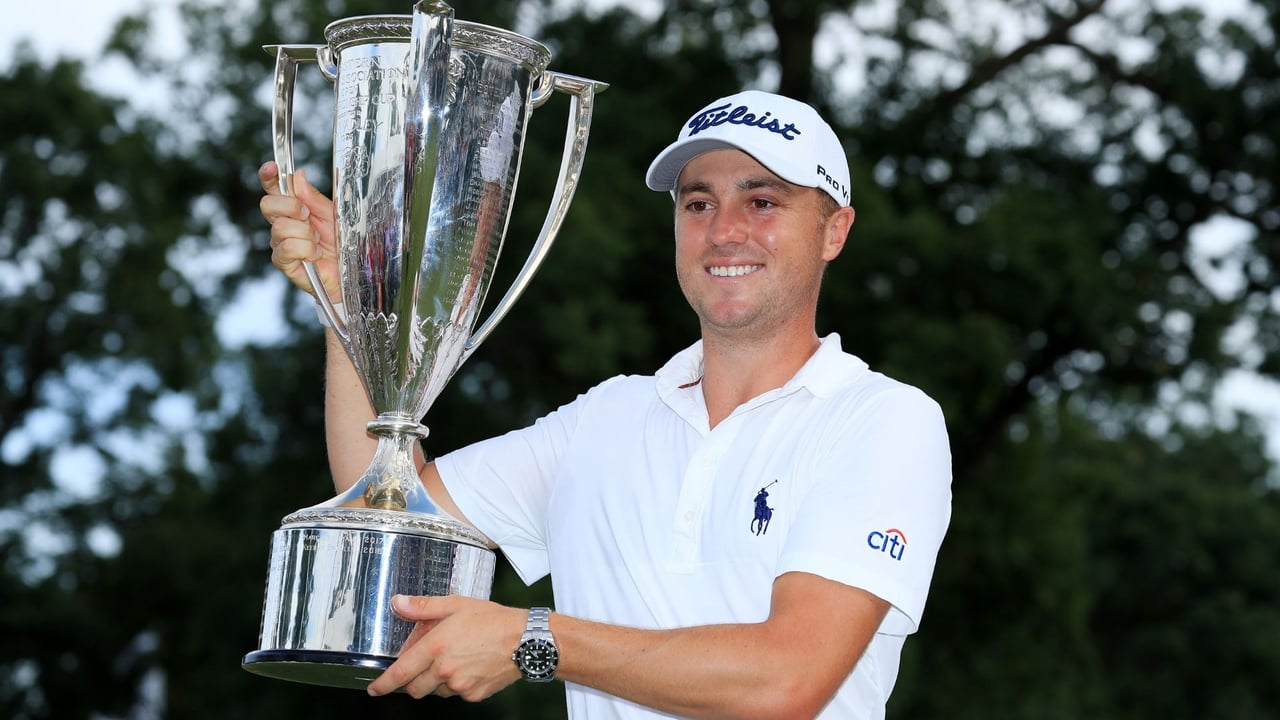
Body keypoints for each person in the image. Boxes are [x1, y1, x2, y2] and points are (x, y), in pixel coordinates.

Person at [260, 89, 952, 720]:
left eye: (762, 201)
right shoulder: (607, 418)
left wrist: (534, 638)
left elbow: (785, 680)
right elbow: (386, 515)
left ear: (835, 231)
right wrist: (347, 309)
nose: (725, 229)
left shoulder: (883, 419)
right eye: (698, 202)